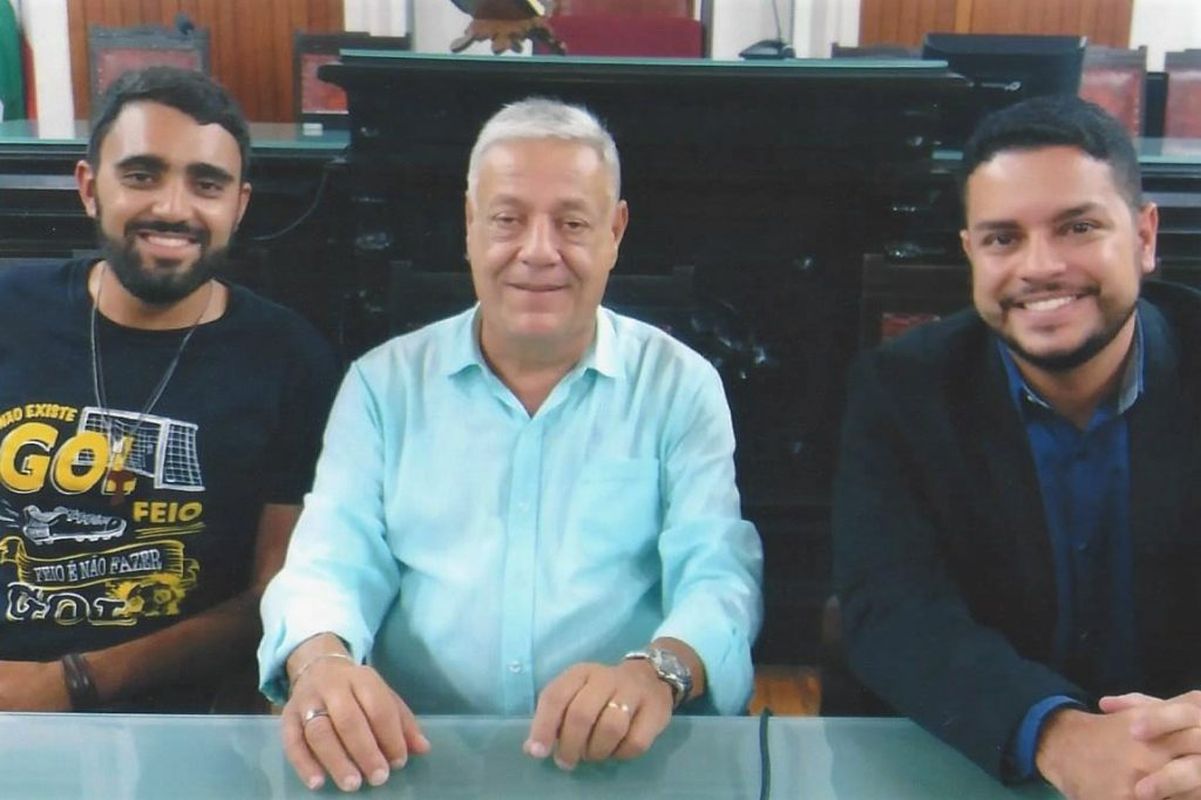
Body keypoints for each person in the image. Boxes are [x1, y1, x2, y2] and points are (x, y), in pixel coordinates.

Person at [258, 97, 763, 793]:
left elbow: (718, 571)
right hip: (414, 757)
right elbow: (328, 562)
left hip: (622, 761)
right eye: (507, 219)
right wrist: (322, 660)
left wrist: (659, 671)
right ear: (469, 225)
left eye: (572, 223)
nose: (538, 250)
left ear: (615, 232)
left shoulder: (679, 385)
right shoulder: (382, 385)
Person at [833, 93, 1201, 800]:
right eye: (1002, 239)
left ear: (1144, 237)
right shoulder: (901, 389)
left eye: (1077, 228)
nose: (1040, 267)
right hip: (985, 769)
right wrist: (1057, 735)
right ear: (970, 254)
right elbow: (892, 609)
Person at [0, 66, 339, 712]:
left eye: (206, 184)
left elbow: (274, 594)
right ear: (90, 188)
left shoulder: (292, 359)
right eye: (141, 175)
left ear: (238, 205)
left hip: (176, 716)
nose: (173, 208)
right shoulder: (10, 311)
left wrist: (68, 682)